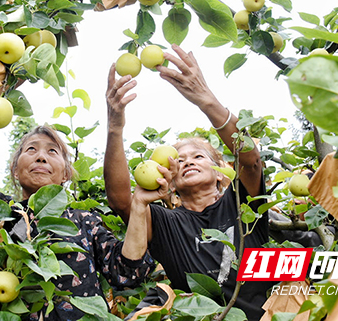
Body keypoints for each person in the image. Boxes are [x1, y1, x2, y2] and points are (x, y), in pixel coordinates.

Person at [0, 55, 156, 321]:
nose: (41, 157)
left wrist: (140, 206)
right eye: (31, 150)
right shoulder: (1, 213)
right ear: (15, 170)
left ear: (65, 173)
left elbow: (127, 273)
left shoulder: (84, 220)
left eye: (52, 152)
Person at [104, 44, 274, 321]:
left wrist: (205, 99)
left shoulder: (243, 205)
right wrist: (115, 126)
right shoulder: (166, 223)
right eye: (178, 160)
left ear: (221, 172)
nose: (187, 161)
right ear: (169, 182)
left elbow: (251, 161)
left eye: (198, 156)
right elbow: (121, 199)